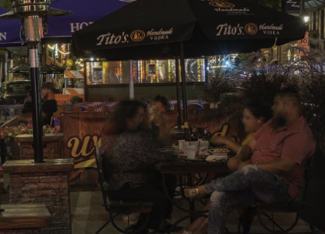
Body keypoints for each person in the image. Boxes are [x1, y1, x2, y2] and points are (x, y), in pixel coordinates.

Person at [185, 89, 316, 234]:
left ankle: (205, 189)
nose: (272, 107)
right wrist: (239, 157)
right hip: (254, 185)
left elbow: (285, 165)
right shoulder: (272, 123)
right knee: (218, 196)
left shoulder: (299, 133)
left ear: (290, 105)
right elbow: (248, 147)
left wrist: (251, 166)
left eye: (276, 104)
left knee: (250, 171)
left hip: (281, 189)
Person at [101, 100, 175, 232]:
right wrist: (175, 155)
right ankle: (150, 227)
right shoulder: (131, 139)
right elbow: (152, 156)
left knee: (166, 180)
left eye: (143, 115)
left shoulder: (125, 134)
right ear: (128, 118)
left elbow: (154, 146)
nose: (142, 119)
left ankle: (143, 226)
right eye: (140, 116)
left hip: (120, 182)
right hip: (124, 186)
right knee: (161, 197)